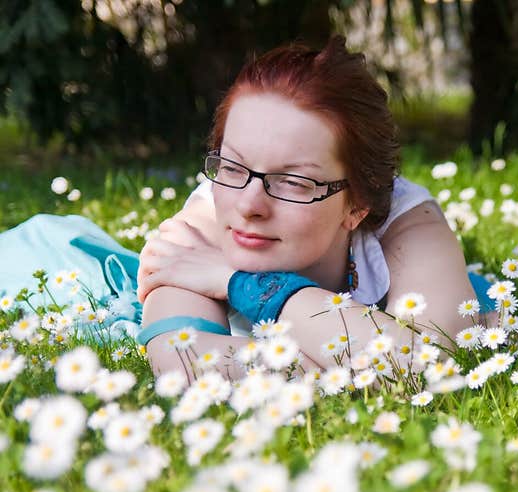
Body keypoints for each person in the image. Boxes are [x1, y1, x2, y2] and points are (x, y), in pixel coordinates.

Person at [135, 37, 494, 379]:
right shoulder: (202, 225)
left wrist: (244, 284)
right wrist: (357, 365)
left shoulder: (409, 224)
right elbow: (183, 365)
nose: (248, 206)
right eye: (231, 166)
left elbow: (430, 365)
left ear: (358, 205)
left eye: (293, 182)